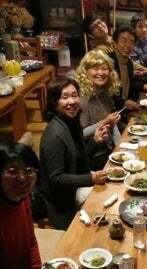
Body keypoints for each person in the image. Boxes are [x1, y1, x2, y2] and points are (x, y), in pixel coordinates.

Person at [38, 77, 109, 229]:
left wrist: (95, 141)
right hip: (63, 202)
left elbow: (78, 158)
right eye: (64, 97)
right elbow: (57, 179)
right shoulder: (54, 135)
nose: (71, 101)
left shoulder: (71, 122)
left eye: (74, 95)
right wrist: (90, 178)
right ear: (54, 103)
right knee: (105, 202)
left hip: (75, 187)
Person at [76, 49, 123, 169]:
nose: (100, 73)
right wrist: (105, 121)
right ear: (85, 71)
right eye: (95, 69)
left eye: (104, 68)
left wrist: (121, 148)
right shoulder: (82, 99)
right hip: (93, 157)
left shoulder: (103, 93)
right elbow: (81, 134)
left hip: (109, 149)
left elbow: (113, 126)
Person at [108, 26, 144, 112]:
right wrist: (122, 103)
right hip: (111, 112)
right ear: (115, 43)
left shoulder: (129, 63)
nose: (128, 45)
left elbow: (129, 84)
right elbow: (105, 93)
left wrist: (143, 86)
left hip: (125, 110)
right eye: (124, 41)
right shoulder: (108, 63)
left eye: (131, 42)